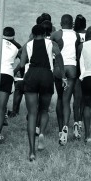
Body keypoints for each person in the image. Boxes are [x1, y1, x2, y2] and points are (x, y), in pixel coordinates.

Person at [22, 22, 59, 160]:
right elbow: (59, 56)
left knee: (32, 113)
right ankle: (42, 132)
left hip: (31, 75)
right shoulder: (51, 44)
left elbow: (21, 63)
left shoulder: (28, 44)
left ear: (32, 34)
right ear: (44, 34)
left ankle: (32, 151)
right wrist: (62, 73)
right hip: (46, 76)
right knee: (44, 110)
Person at [50, 13, 81, 146]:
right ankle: (66, 127)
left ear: (61, 22)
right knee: (67, 100)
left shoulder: (56, 35)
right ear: (72, 23)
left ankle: (60, 128)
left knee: (60, 98)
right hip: (72, 68)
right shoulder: (77, 35)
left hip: (59, 68)